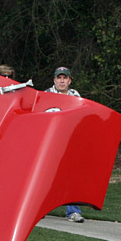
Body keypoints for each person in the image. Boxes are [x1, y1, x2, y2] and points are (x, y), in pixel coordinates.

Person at [45, 66, 84, 222]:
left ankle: (73, 212)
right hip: (51, 140)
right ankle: (39, 210)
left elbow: (79, 115)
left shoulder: (75, 95)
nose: (62, 81)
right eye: (59, 78)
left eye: (65, 78)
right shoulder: (47, 94)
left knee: (71, 176)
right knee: (46, 175)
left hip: (69, 140)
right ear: (54, 80)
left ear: (69, 80)